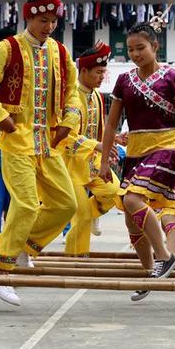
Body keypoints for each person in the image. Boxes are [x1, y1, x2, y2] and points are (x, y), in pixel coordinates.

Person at [0, 0, 80, 307]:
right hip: (16, 142)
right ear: (30, 17)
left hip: (47, 143)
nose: (49, 27)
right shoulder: (8, 48)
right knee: (27, 204)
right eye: (44, 20)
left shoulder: (60, 52)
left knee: (65, 204)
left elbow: (72, 92)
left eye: (54, 21)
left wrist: (68, 122)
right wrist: (1, 117)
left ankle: (24, 248)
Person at [98, 15, 175, 301]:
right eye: (130, 49)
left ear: (155, 46)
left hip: (166, 147)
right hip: (136, 153)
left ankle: (165, 257)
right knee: (131, 221)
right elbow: (112, 125)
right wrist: (104, 161)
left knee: (131, 199)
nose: (136, 54)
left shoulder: (173, 77)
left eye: (141, 47)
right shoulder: (123, 81)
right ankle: (151, 272)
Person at [61, 40, 122, 257]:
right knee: (80, 215)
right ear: (83, 70)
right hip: (70, 164)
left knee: (116, 193)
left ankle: (90, 213)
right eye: (98, 72)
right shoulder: (71, 96)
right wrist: (97, 145)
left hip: (92, 162)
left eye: (104, 72)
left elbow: (100, 130)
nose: (102, 77)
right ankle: (76, 256)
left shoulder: (96, 94)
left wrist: (112, 143)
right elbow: (67, 136)